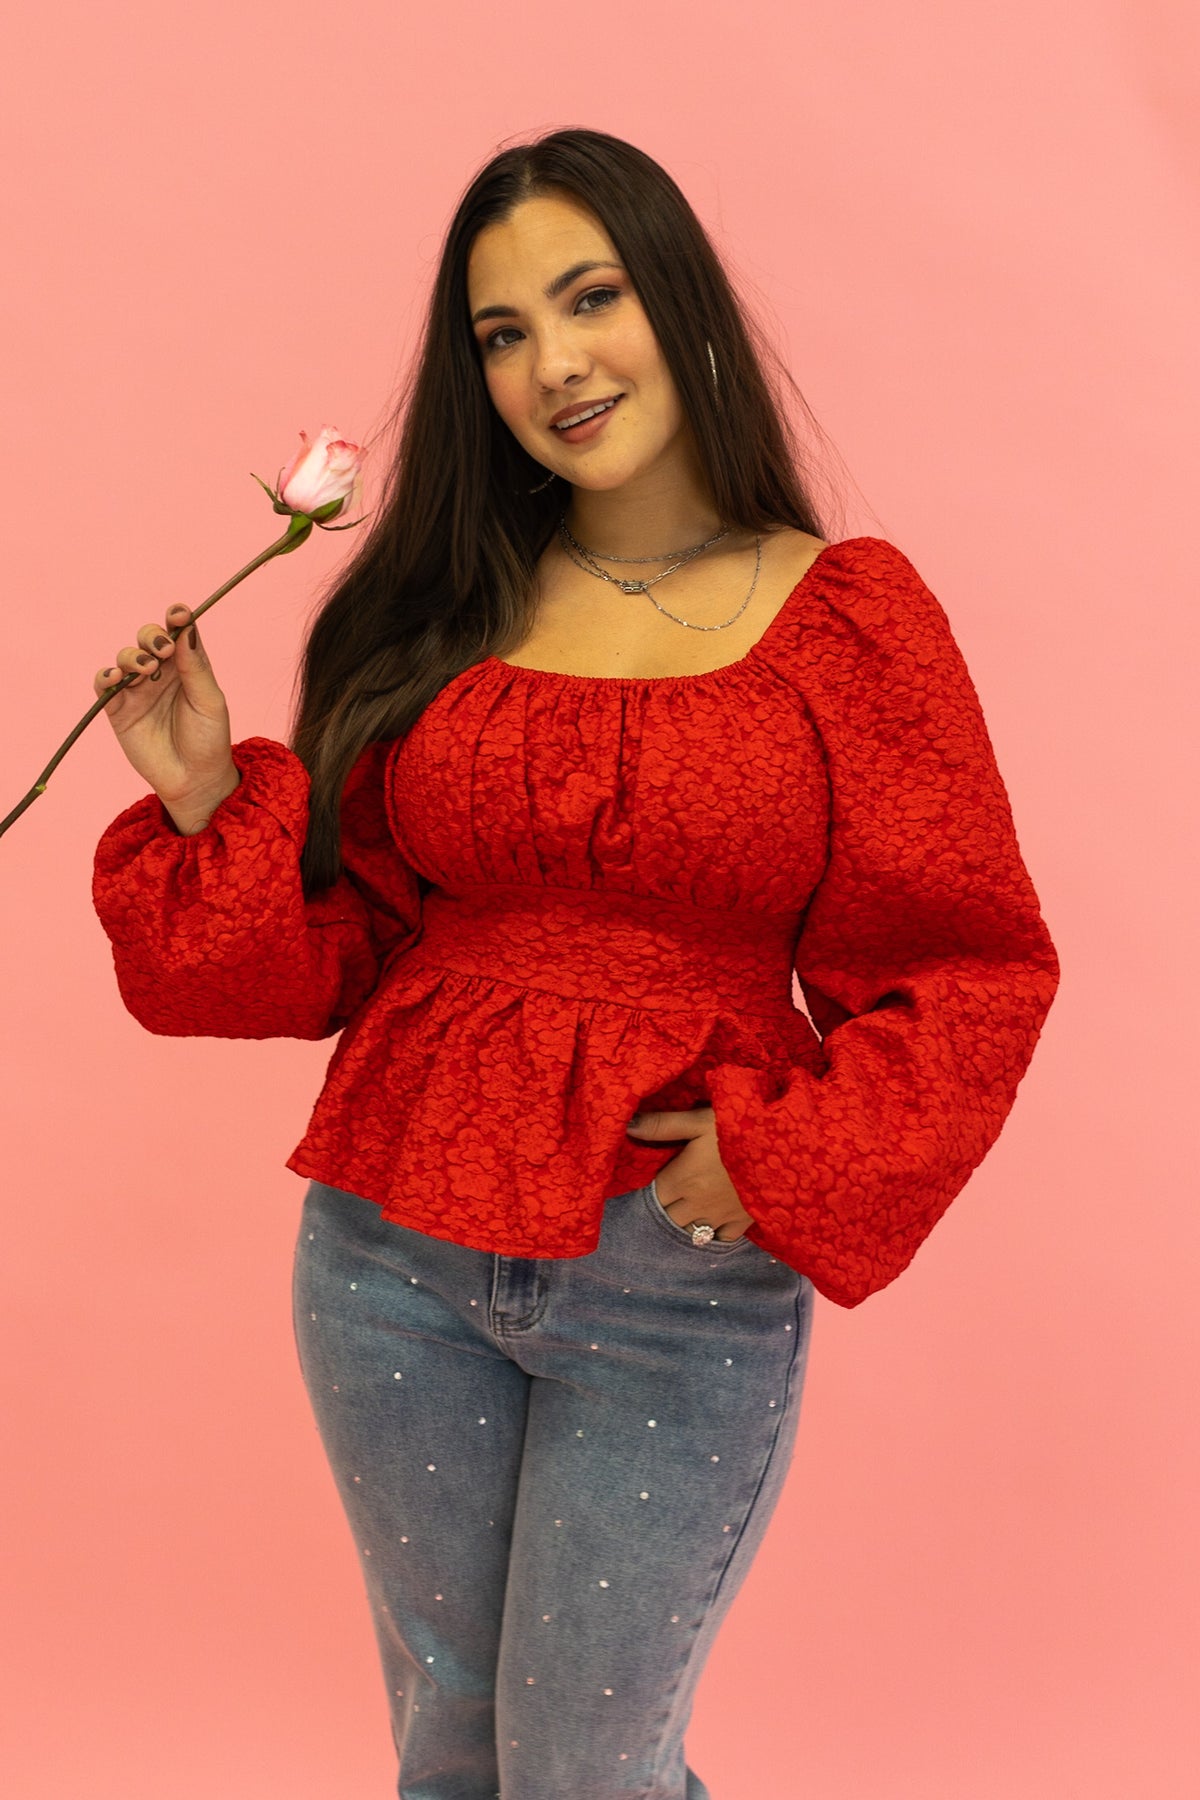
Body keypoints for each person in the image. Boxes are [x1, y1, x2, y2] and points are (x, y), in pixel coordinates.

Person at [90, 128, 1060, 1800]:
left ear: (677, 302)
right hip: (386, 1263)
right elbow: (331, 957)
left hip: (672, 1288)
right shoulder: (442, 612)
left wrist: (780, 1159)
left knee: (586, 1769)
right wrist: (196, 799)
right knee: (451, 1746)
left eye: (590, 298)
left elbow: (971, 965)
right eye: (503, 332)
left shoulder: (849, 620)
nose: (554, 363)